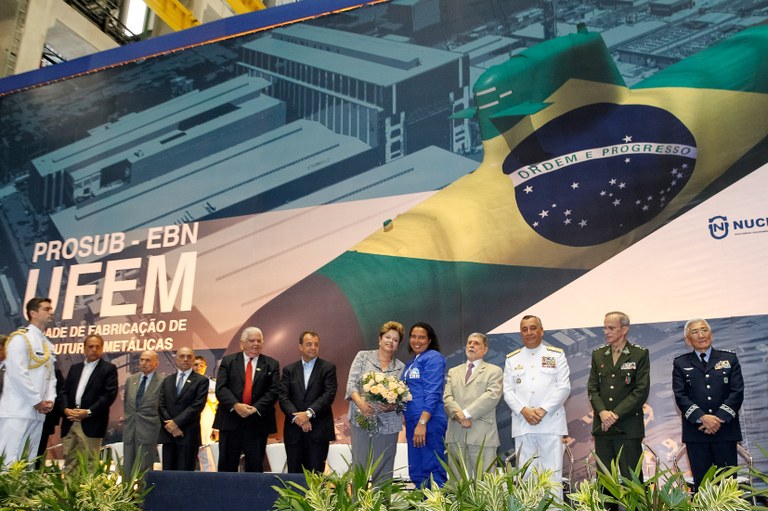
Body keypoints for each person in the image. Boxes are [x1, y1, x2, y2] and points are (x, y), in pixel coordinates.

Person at [672, 318, 744, 490]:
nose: (701, 335)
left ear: (711, 334)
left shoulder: (729, 359)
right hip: (696, 433)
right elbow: (680, 395)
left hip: (725, 431)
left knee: (727, 487)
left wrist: (717, 419)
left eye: (704, 330)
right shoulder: (681, 363)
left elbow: (737, 392)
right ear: (687, 340)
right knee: (703, 487)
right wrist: (702, 418)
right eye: (695, 332)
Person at [503, 315, 570, 498]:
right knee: (527, 476)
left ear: (541, 331)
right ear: (520, 333)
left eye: (533, 328)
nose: (529, 332)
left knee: (552, 476)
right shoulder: (512, 359)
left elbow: (564, 387)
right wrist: (524, 411)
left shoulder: (556, 354)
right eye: (524, 329)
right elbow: (508, 392)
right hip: (523, 424)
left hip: (550, 422)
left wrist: (541, 410)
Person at [588, 311, 650, 482]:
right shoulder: (598, 354)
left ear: (624, 330)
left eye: (611, 328)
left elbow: (641, 390)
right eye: (604, 328)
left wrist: (615, 414)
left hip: (628, 426)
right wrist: (602, 413)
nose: (606, 332)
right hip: (604, 427)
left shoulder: (639, 354)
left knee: (633, 480)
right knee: (605, 480)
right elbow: (592, 388)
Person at [346, 321, 405, 483]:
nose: (390, 341)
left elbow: (403, 400)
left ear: (398, 346)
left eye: (395, 340)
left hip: (388, 424)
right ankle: (358, 506)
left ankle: (382, 505)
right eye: (387, 337)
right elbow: (351, 384)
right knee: (360, 467)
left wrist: (392, 406)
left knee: (384, 470)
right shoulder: (363, 357)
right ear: (380, 339)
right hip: (361, 419)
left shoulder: (401, 367)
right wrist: (361, 404)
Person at [215, 326, 280, 472]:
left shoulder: (271, 364)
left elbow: (274, 390)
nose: (256, 344)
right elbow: (221, 388)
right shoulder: (228, 361)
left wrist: (255, 408)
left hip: (257, 422)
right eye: (252, 340)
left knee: (255, 467)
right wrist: (236, 405)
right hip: (231, 421)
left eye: (259, 341)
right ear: (242, 343)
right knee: (227, 466)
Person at [0, 297, 57, 465]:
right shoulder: (20, 339)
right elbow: (18, 374)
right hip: (17, 411)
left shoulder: (47, 344)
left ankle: (24, 493)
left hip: (38, 413)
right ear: (33, 313)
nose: (50, 312)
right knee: (9, 461)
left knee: (28, 461)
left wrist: (49, 401)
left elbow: (51, 378)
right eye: (46, 309)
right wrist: (36, 400)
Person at [444, 332, 503, 476]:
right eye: (469, 342)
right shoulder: (453, 371)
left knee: (483, 483)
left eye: (476, 343)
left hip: (482, 435)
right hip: (456, 435)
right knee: (458, 484)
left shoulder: (494, 371)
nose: (471, 345)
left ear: (485, 349)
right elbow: (447, 398)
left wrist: (465, 414)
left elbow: (491, 396)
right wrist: (459, 416)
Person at [279, 330, 338, 473]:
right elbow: (283, 396)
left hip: (318, 432)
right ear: (300, 347)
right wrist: (298, 417)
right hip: (294, 432)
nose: (313, 347)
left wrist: (309, 413)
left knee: (316, 477)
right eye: (309, 344)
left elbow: (328, 395)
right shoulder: (289, 370)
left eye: (316, 344)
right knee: (294, 477)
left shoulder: (328, 368)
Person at [62, 334, 118, 474]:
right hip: (70, 420)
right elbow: (64, 392)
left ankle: (86, 495)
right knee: (70, 461)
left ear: (102, 349)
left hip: (91, 422)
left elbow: (108, 396)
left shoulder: (108, 369)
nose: (94, 350)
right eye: (90, 347)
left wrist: (87, 412)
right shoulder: (75, 368)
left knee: (89, 464)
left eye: (97, 347)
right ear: (84, 349)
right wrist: (65, 409)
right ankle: (69, 494)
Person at [402, 322, 448, 487]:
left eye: (421, 337)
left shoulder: (433, 357)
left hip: (429, 421)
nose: (417, 340)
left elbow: (433, 392)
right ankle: (422, 504)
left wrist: (422, 423)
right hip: (413, 422)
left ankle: (435, 504)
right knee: (417, 469)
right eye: (413, 336)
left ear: (429, 340)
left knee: (433, 468)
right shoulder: (410, 364)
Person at [158, 346, 209, 471]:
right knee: (168, 474)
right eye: (182, 356)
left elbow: (197, 406)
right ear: (176, 359)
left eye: (189, 357)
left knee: (185, 475)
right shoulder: (167, 380)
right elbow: (161, 405)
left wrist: (176, 423)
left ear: (193, 359)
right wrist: (171, 426)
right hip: (169, 435)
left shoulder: (201, 381)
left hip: (188, 434)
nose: (185, 359)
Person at [123, 350, 162, 475]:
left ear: (156, 364)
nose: (144, 363)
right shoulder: (131, 380)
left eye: (148, 360)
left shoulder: (162, 382)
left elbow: (161, 408)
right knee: (127, 469)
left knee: (145, 471)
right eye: (142, 359)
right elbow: (127, 406)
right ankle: (126, 494)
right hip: (130, 430)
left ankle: (143, 495)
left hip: (148, 432)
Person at [36, 363, 64, 468]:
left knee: (37, 454)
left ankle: (33, 477)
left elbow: (60, 396)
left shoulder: (54, 372)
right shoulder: (19, 369)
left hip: (44, 421)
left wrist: (53, 420)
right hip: (19, 419)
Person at [193, 355, 219, 443]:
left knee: (208, 448)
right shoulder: (185, 385)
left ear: (205, 367)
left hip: (208, 419)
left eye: (201, 365)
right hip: (191, 420)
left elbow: (219, 406)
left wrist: (217, 427)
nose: (198, 368)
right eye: (195, 365)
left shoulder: (213, 384)